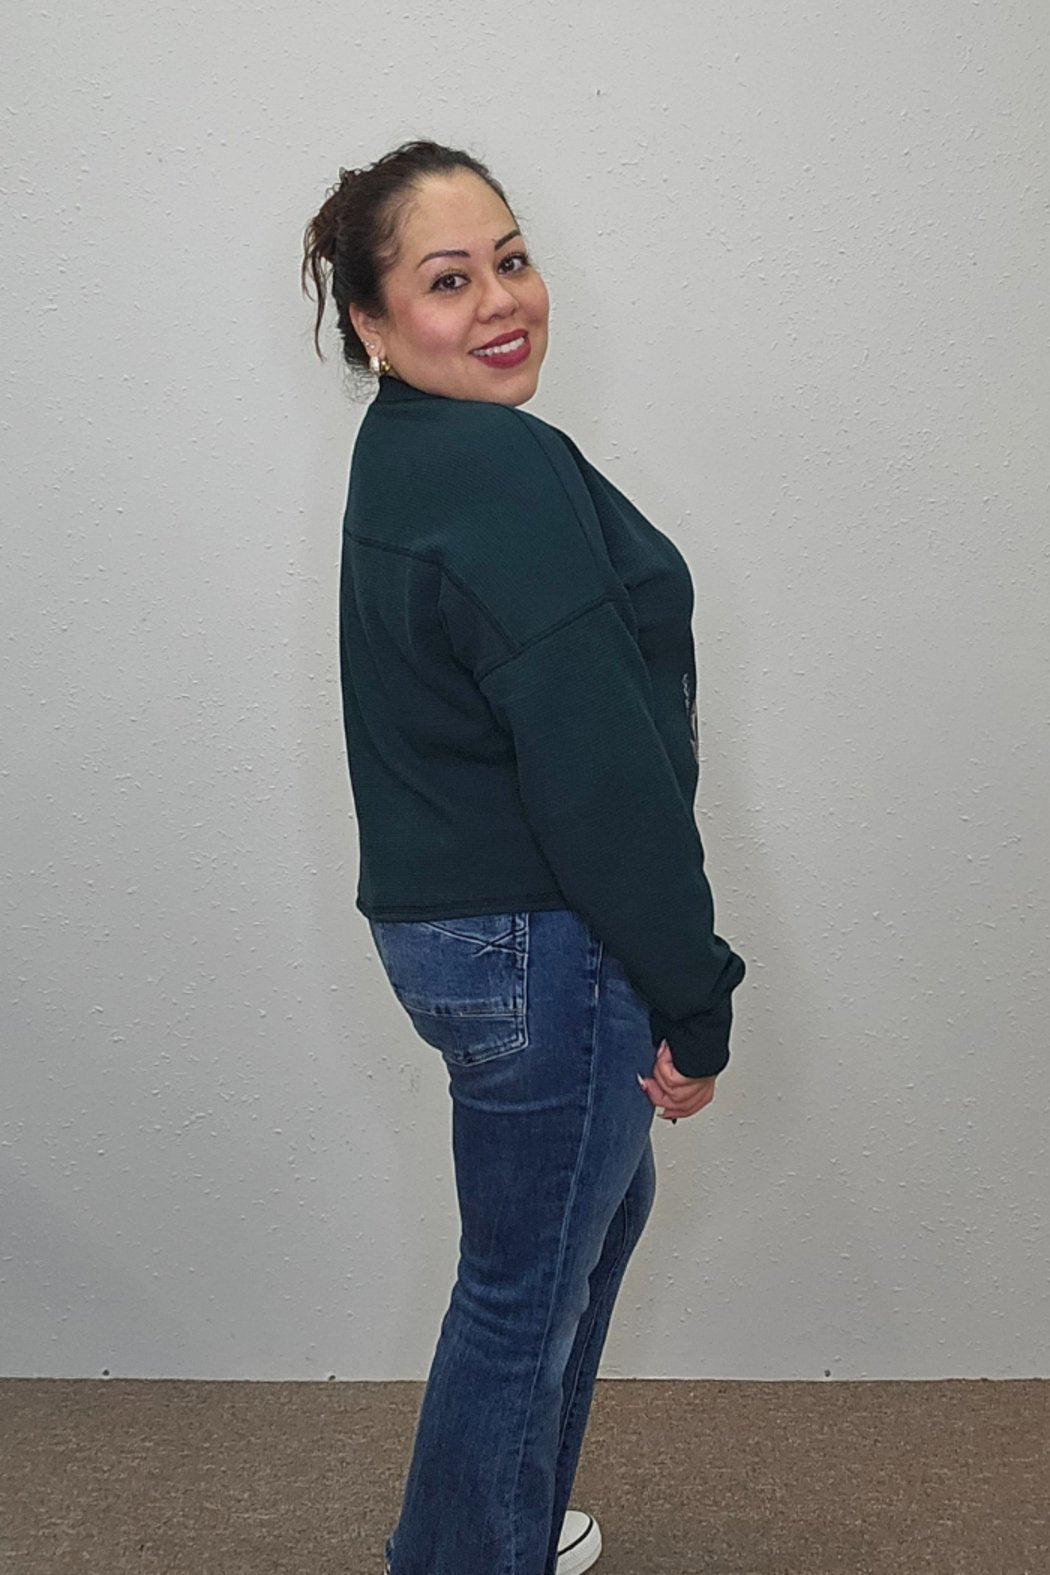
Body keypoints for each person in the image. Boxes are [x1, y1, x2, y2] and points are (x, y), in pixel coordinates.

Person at [300, 138, 747, 1575]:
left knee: (569, 1240)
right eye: (448, 280)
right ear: (370, 322)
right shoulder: (493, 466)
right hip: (540, 936)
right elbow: (597, 768)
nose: (500, 299)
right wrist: (695, 994)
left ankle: (491, 1527)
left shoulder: (408, 447)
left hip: (461, 933)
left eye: (510, 258)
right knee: (523, 1284)